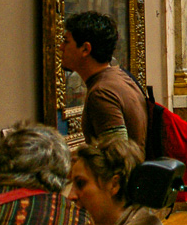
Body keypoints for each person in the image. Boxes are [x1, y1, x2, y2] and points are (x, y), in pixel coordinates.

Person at [62, 11, 147, 149]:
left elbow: (117, 159)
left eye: (66, 42)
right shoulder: (120, 77)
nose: (61, 47)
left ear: (85, 49)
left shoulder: (101, 94)